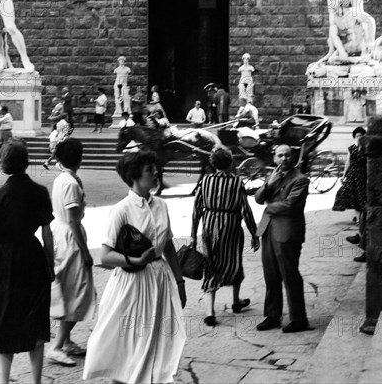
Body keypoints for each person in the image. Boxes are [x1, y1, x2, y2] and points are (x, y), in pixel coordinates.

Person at [83, 150, 186, 383]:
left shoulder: (161, 205)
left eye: (154, 168)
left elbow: (168, 245)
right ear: (135, 176)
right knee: (129, 340)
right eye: (150, 170)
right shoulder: (121, 210)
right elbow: (106, 255)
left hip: (160, 280)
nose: (156, 172)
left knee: (157, 339)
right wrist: (136, 261)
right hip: (131, 284)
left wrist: (179, 281)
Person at [0, 140, 55, 384]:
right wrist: (51, 265)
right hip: (34, 259)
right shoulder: (40, 192)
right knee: (35, 319)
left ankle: (3, 381)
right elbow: (47, 233)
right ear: (25, 161)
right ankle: (36, 380)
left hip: (6, 264)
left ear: (3, 164)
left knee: (4, 318)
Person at [191, 147, 259, 326]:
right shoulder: (236, 182)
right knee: (234, 261)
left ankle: (210, 312)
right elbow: (246, 210)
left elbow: (196, 209)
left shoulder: (205, 181)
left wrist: (192, 234)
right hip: (231, 227)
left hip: (209, 226)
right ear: (230, 163)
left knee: (211, 263)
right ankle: (236, 301)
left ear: (213, 164)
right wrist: (255, 234)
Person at [46, 138, 96, 366]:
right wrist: (85, 252)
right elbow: (74, 221)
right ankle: (56, 346)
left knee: (70, 289)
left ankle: (65, 341)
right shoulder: (71, 183)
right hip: (70, 237)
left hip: (63, 233)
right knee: (77, 291)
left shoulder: (62, 179)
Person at [255, 144, 312, 333]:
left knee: (290, 275)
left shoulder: (301, 179)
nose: (284, 159)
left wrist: (269, 206)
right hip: (268, 229)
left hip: (287, 232)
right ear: (275, 158)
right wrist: (269, 184)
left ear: (293, 157)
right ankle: (272, 315)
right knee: (271, 275)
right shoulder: (272, 175)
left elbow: (291, 205)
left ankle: (298, 318)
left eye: (288, 155)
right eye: (280, 155)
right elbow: (257, 198)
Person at [333, 127, 367, 263]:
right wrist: (344, 175)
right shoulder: (351, 148)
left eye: (361, 135)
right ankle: (360, 230)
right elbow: (348, 162)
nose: (359, 138)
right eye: (357, 135)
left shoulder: (366, 149)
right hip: (354, 177)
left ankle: (361, 231)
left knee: (363, 203)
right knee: (356, 203)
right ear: (354, 137)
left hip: (363, 178)